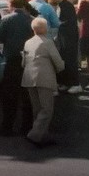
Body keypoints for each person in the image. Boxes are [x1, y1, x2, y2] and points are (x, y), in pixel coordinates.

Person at [22, 17, 65, 147]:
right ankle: (35, 135)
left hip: (29, 77)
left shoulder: (28, 42)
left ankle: (42, 137)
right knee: (47, 109)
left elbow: (23, 61)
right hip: (44, 77)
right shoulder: (47, 42)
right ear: (45, 28)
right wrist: (61, 67)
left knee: (37, 108)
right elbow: (57, 61)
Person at [0, 0, 34, 136]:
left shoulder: (6, 20)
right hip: (28, 59)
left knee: (10, 95)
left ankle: (7, 126)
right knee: (27, 94)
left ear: (10, 5)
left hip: (11, 60)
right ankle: (27, 126)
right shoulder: (31, 19)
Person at [49, 0, 82, 94]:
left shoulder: (67, 6)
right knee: (65, 60)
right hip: (64, 36)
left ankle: (75, 84)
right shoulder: (62, 6)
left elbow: (69, 23)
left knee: (71, 60)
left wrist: (58, 24)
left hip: (69, 37)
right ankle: (67, 82)